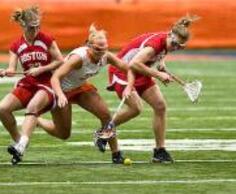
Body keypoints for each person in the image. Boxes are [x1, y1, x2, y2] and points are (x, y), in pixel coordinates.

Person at [105, 14, 200, 163]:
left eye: (179, 47)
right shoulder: (155, 44)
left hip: (141, 71)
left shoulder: (167, 41)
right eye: (174, 44)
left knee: (160, 106)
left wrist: (161, 62)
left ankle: (159, 151)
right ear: (170, 35)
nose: (175, 48)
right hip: (123, 71)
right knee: (136, 108)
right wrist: (158, 74)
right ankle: (105, 130)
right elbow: (134, 63)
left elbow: (163, 50)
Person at [34, 24, 130, 164]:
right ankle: (38, 121)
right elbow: (55, 78)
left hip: (80, 87)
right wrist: (60, 95)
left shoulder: (106, 56)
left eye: (104, 49)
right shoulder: (79, 58)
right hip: (61, 90)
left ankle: (116, 154)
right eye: (97, 49)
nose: (101, 53)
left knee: (106, 115)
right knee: (64, 134)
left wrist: (149, 73)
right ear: (89, 46)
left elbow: (127, 68)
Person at [0, 5, 63, 164]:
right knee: (2, 109)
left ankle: (21, 145)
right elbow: (12, 69)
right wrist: (5, 72)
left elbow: (60, 61)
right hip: (28, 84)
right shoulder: (16, 45)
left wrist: (41, 69)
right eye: (32, 27)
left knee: (32, 107)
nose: (36, 30)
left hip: (46, 83)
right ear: (23, 25)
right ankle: (19, 141)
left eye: (38, 26)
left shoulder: (46, 39)